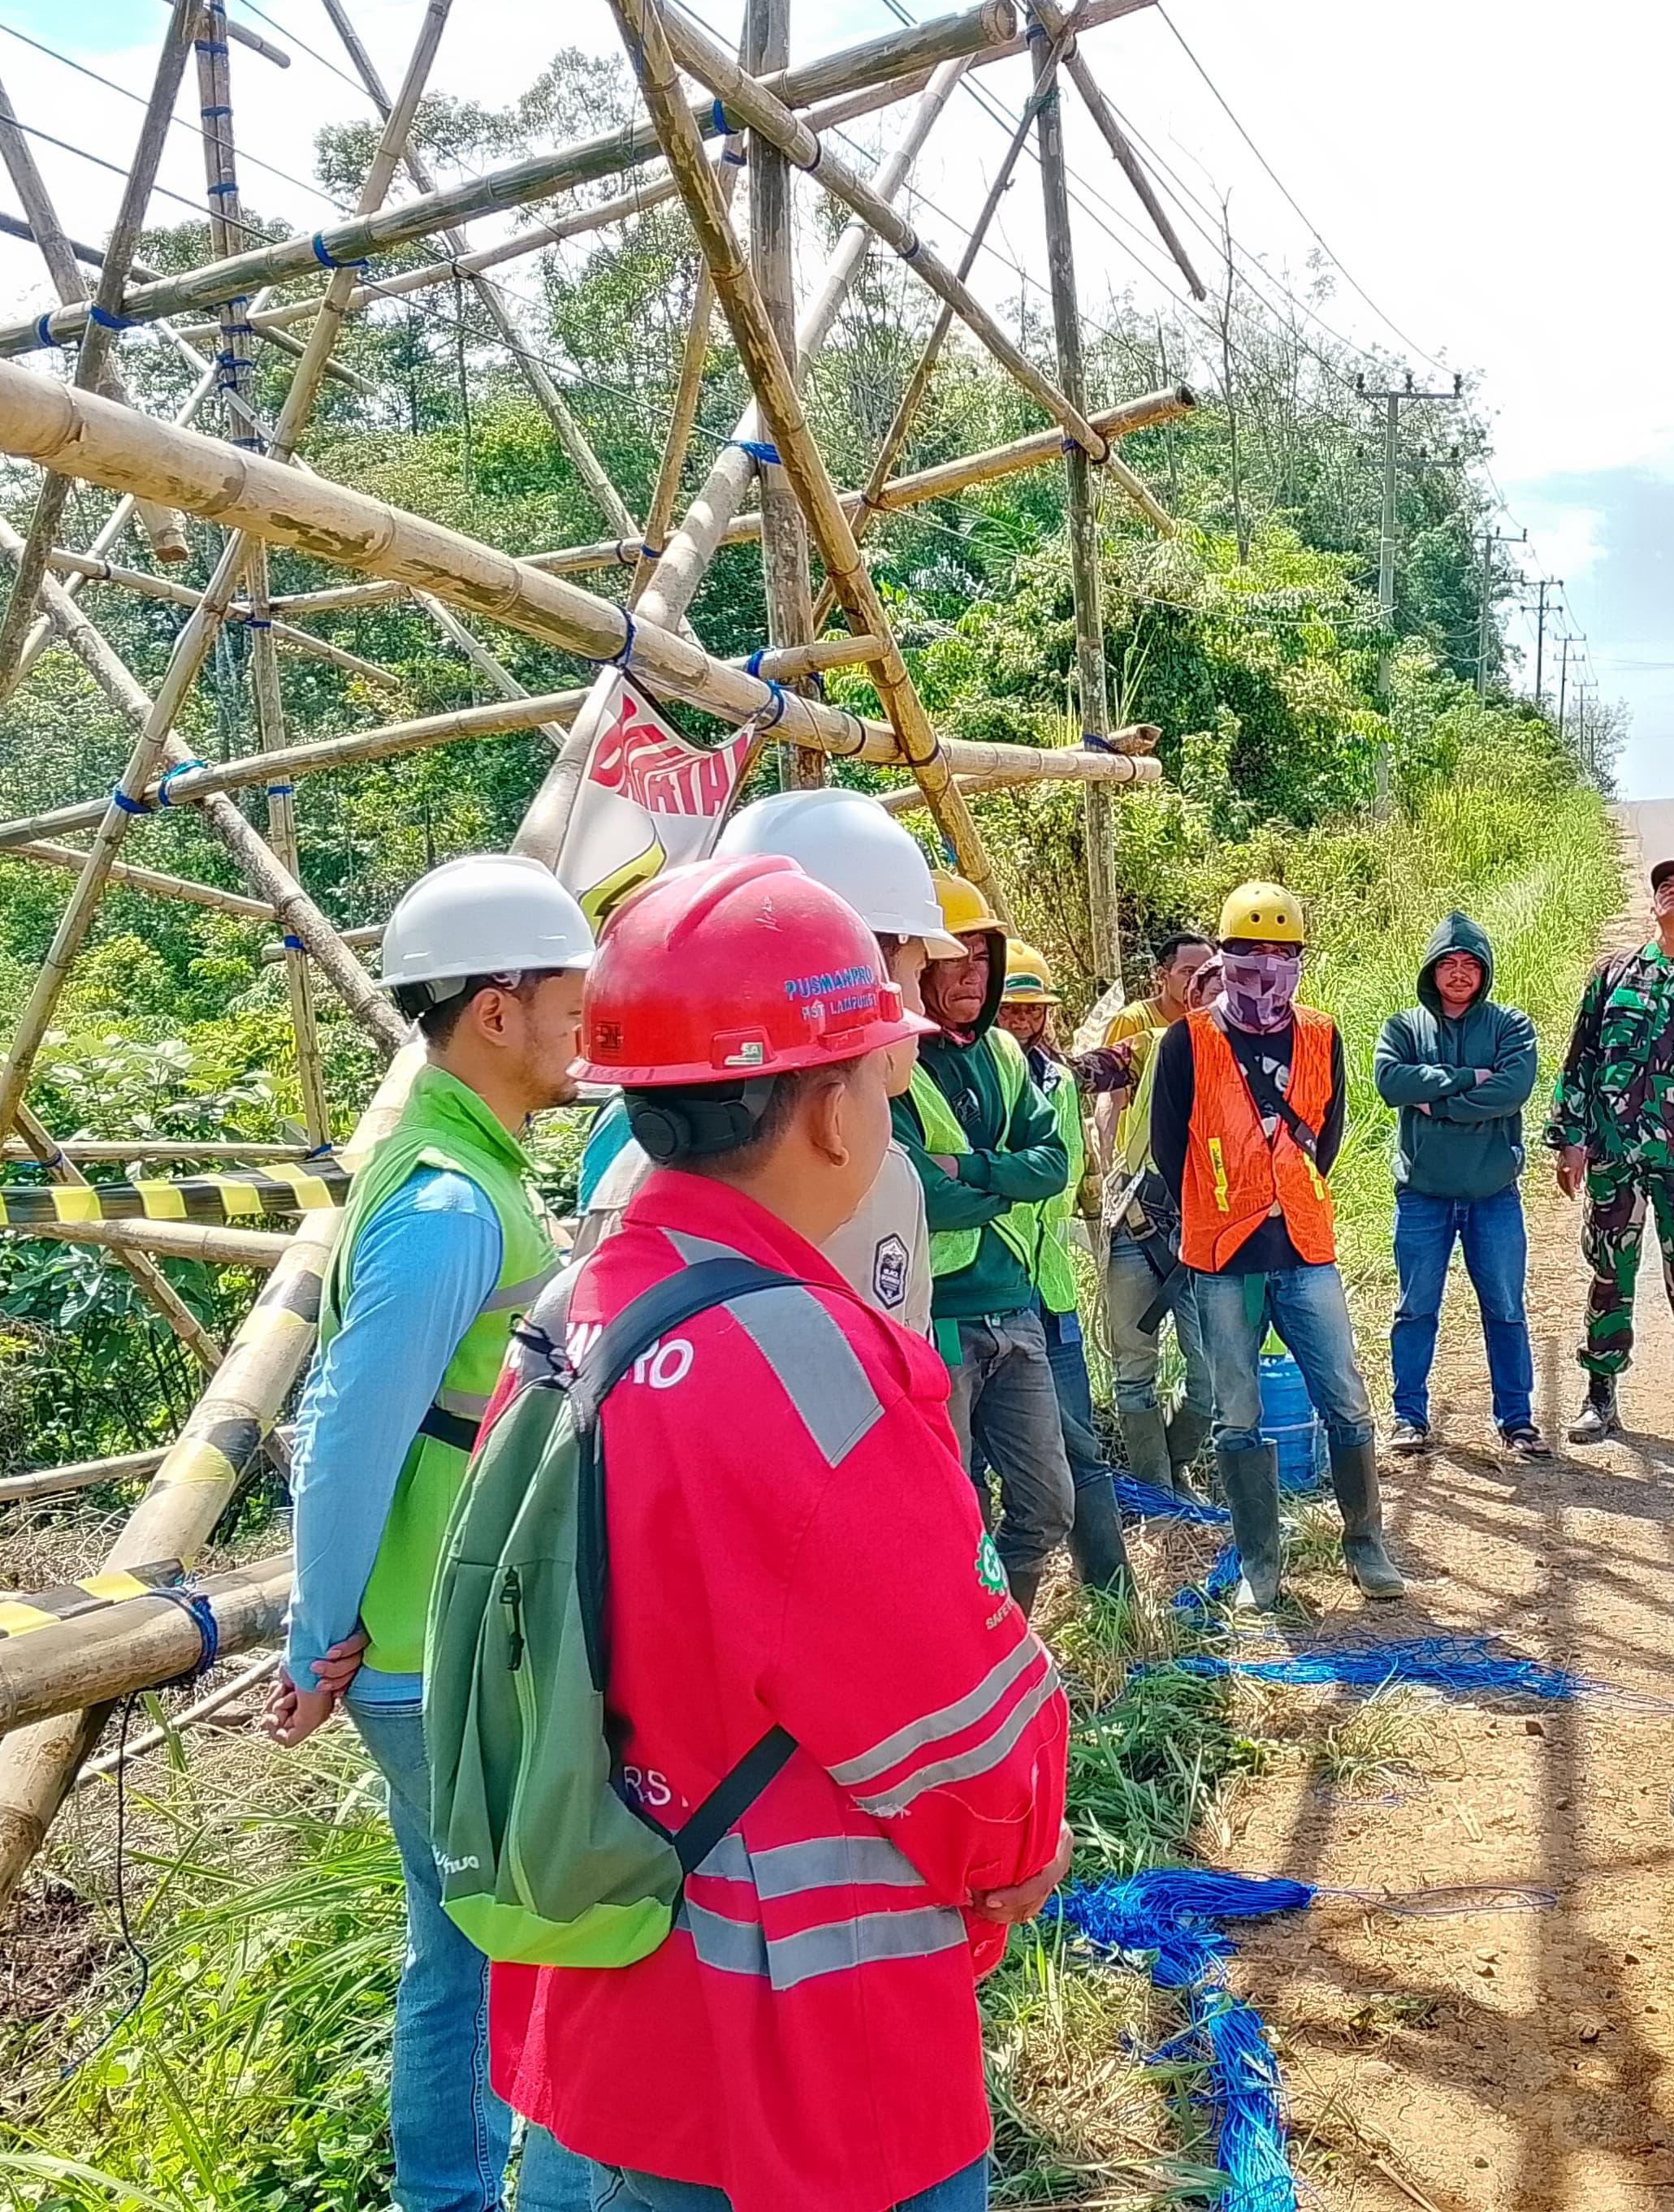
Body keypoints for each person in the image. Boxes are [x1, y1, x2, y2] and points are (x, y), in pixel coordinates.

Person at [492, 853, 1068, 2212]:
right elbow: (958, 1727)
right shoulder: (801, 1365)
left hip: (621, 1989)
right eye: (879, 1075)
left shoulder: (580, 1315)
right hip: (809, 2046)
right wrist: (1018, 1850)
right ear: (825, 1111)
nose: (888, 1102)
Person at [269, 853, 599, 2212]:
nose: (584, 1023)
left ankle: (454, 2192)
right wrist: (317, 1628)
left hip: (439, 1637)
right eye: (567, 998)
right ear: (499, 1010)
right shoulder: (449, 1205)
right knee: (553, 1939)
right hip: (436, 1653)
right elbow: (348, 1426)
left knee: (462, 1944)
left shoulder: (463, 1164)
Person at [571, 786, 955, 1332]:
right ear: (852, 974)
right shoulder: (647, 1189)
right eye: (917, 977)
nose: (919, 1012)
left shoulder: (888, 1173)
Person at [1149, 879, 1404, 1609]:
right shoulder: (1187, 1041)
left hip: (1302, 1244)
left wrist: (1281, 1193)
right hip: (1225, 1257)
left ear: (1300, 958)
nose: (1266, 967)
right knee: (1239, 1415)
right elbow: (1173, 1151)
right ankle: (1260, 1561)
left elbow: (1326, 1136)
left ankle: (1366, 1545)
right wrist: (1228, 1202)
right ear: (1223, 956)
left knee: (1347, 1401)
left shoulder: (1322, 1034)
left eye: (1281, 952)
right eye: (1249, 950)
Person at [897, 871, 1076, 1608]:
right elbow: (918, 1193)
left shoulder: (1004, 1054)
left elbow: (1055, 1165)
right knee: (953, 1511)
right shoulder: (895, 1061)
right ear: (921, 966)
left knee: (1047, 1505)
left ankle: (1003, 1633)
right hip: (941, 1315)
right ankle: (969, 1653)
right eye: (954, 957)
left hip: (1017, 1305)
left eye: (983, 957)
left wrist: (971, 1167)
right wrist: (1004, 1178)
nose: (972, 972)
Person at [1548, 856, 1674, 1449]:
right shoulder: (1612, 975)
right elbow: (1580, 1061)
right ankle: (1600, 1395)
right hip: (1615, 1154)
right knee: (1609, 1271)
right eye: (1666, 885)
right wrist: (1570, 1138)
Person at [1372, 911, 1544, 1458]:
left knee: (1506, 1308)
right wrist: (1471, 1080)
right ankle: (1408, 1417)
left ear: (1485, 971)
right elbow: (1390, 1081)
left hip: (1493, 1194)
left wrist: (1435, 1103)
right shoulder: (1404, 1028)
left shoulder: (1510, 1026)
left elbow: (1512, 1091)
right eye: (1449, 962)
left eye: (1472, 963)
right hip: (1423, 1194)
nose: (1460, 972)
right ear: (1431, 970)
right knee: (1415, 1307)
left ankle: (1517, 1421)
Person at [994, 937, 1131, 1596]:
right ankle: (987, 1614)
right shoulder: (975, 1086)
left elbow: (1066, 1175)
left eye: (1031, 1013)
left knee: (1080, 1441)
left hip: (1051, 1293)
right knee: (979, 1461)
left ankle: (1111, 1593)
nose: (1021, 1024)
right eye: (1010, 1012)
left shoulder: (1056, 1080)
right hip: (987, 1291)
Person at [1081, 929, 1219, 1488]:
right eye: (1197, 979)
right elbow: (1092, 1079)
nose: (1207, 991)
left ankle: (1174, 1462)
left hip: (1209, 1238)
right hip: (1142, 1220)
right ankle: (1156, 1489)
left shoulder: (1254, 1063)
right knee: (1134, 1369)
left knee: (1210, 1379)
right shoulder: (1150, 1042)